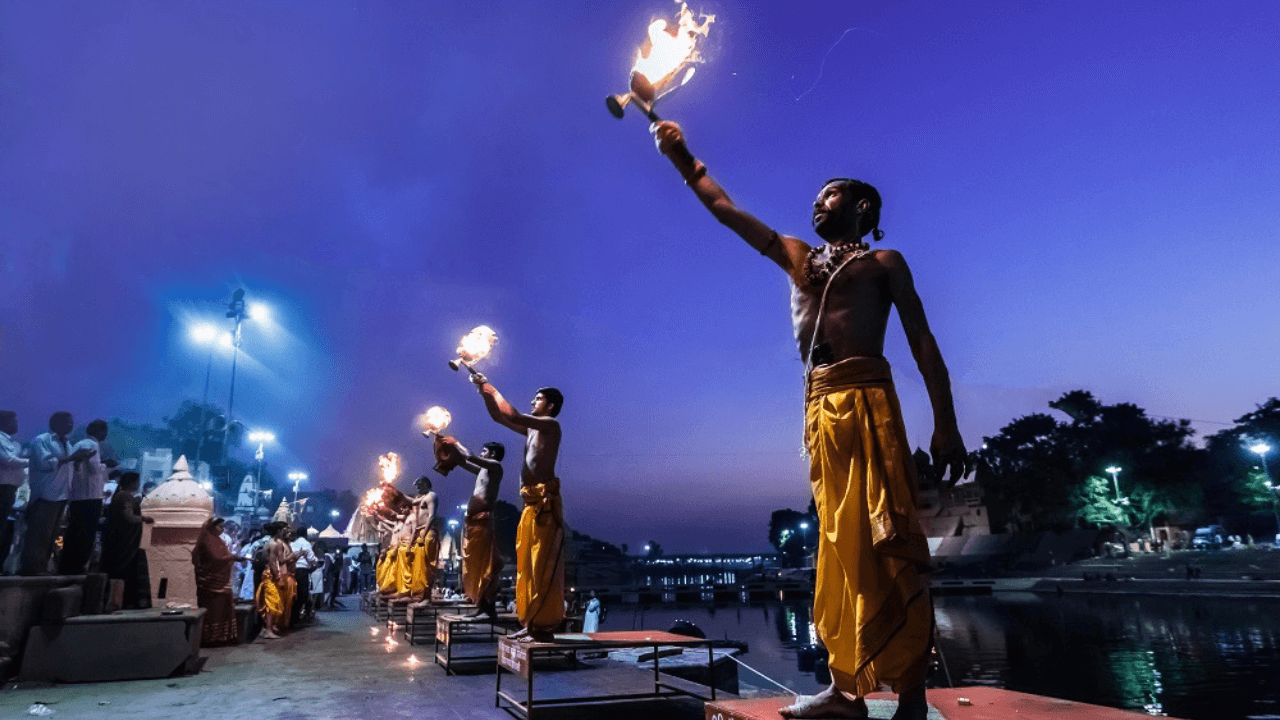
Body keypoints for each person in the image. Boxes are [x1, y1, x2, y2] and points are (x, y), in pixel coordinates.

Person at [648, 121, 969, 720]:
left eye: (829, 195)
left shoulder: (883, 262)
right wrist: (680, 154)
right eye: (816, 197)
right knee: (837, 544)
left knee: (887, 537)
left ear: (862, 206)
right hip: (820, 410)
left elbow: (922, 342)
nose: (816, 203)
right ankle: (845, 690)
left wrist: (945, 422)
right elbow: (722, 207)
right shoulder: (795, 256)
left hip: (869, 402)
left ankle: (913, 698)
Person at [471, 373, 565, 642]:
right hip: (529, 503)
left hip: (544, 505)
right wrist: (483, 391)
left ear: (550, 405)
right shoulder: (532, 429)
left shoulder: (550, 425)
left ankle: (543, 627)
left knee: (541, 566)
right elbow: (499, 417)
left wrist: (491, 386)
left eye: (538, 398)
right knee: (526, 566)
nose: (533, 401)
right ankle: (530, 621)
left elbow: (512, 414)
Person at [434, 436, 505, 619]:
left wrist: (455, 442)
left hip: (484, 521)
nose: (482, 453)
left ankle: (489, 610)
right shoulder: (483, 469)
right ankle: (481, 606)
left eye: (485, 451)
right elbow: (464, 462)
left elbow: (471, 456)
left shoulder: (495, 467)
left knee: (486, 565)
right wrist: (443, 444)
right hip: (474, 522)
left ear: (493, 454)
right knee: (475, 565)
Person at [21, 412, 95, 575]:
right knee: (38, 534)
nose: (71, 425)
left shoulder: (67, 443)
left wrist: (78, 460)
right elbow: (46, 463)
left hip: (62, 495)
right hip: (45, 494)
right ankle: (30, 569)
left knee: (51, 535)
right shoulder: (42, 441)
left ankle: (42, 567)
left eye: (71, 422)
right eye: (67, 422)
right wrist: (71, 458)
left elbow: (67, 466)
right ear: (55, 423)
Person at [61, 419, 116, 574]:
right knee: (85, 533)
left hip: (78, 495)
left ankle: (68, 565)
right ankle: (77, 566)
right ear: (101, 432)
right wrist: (106, 465)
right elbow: (93, 469)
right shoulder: (92, 445)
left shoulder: (79, 444)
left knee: (74, 532)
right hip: (89, 496)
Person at [100, 471, 154, 608]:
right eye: (136, 481)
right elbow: (129, 517)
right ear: (132, 482)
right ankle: (116, 600)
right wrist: (144, 519)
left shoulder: (123, 496)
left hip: (124, 540)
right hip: (124, 541)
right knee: (121, 570)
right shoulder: (124, 496)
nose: (138, 484)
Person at [192, 518, 243, 646]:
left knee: (224, 609)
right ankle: (211, 638)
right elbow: (216, 557)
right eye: (219, 526)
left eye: (222, 527)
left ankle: (224, 637)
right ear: (212, 527)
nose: (222, 529)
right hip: (211, 582)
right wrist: (233, 557)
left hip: (222, 581)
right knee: (214, 610)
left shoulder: (219, 540)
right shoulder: (207, 539)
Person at [0, 411, 30, 572]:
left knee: (5, 529)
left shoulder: (9, 441)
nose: (17, 425)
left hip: (8, 489)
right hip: (2, 488)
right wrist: (32, 461)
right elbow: (9, 460)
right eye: (14, 421)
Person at [256, 522, 296, 639]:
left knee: (274, 602)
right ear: (278, 531)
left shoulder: (275, 543)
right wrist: (278, 577)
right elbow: (274, 562)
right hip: (271, 575)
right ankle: (268, 629)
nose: (286, 531)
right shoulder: (273, 544)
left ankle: (269, 627)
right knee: (272, 602)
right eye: (284, 529)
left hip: (273, 574)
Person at [289, 526, 319, 625]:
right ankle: (300, 616)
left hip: (292, 570)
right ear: (306, 534)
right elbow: (311, 558)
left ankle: (294, 616)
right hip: (303, 571)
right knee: (303, 594)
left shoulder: (293, 544)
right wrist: (316, 561)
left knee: (294, 593)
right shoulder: (306, 544)